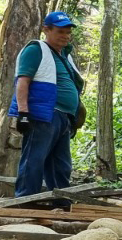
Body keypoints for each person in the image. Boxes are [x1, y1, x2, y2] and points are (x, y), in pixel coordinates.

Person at [7, 11, 85, 197]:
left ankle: (61, 202)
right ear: (46, 30)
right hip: (44, 115)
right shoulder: (36, 49)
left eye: (68, 32)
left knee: (61, 165)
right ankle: (25, 202)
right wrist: (23, 113)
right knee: (34, 159)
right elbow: (23, 82)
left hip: (64, 118)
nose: (65, 36)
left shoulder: (65, 56)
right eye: (60, 32)